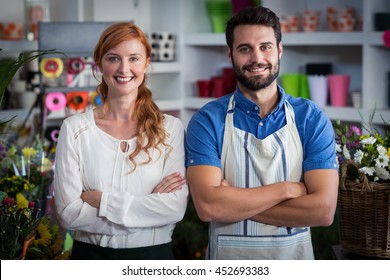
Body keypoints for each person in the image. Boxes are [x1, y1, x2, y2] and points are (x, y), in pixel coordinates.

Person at [185, 6, 339, 260]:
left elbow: (322, 211)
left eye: (265, 47)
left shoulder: (310, 118)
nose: (257, 58)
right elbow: (208, 207)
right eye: (245, 48)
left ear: (279, 50)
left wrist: (232, 204)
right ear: (230, 54)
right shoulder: (207, 120)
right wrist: (287, 189)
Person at [54, 22, 189, 260]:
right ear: (100, 63)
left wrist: (103, 202)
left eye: (134, 58)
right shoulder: (75, 129)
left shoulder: (170, 129)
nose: (124, 68)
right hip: (90, 259)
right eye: (113, 58)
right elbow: (68, 213)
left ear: (147, 63)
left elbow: (174, 208)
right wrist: (145, 216)